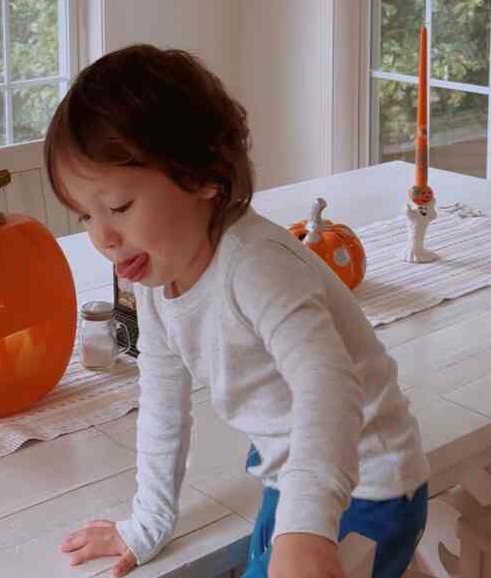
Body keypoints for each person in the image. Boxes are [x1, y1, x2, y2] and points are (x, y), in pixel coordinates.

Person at [44, 44, 429, 578]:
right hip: (293, 475)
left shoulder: (255, 265)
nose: (103, 237)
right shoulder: (158, 284)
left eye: (119, 207)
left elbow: (329, 384)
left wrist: (306, 529)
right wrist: (145, 525)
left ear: (203, 177)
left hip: (368, 483)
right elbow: (161, 405)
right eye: (85, 215)